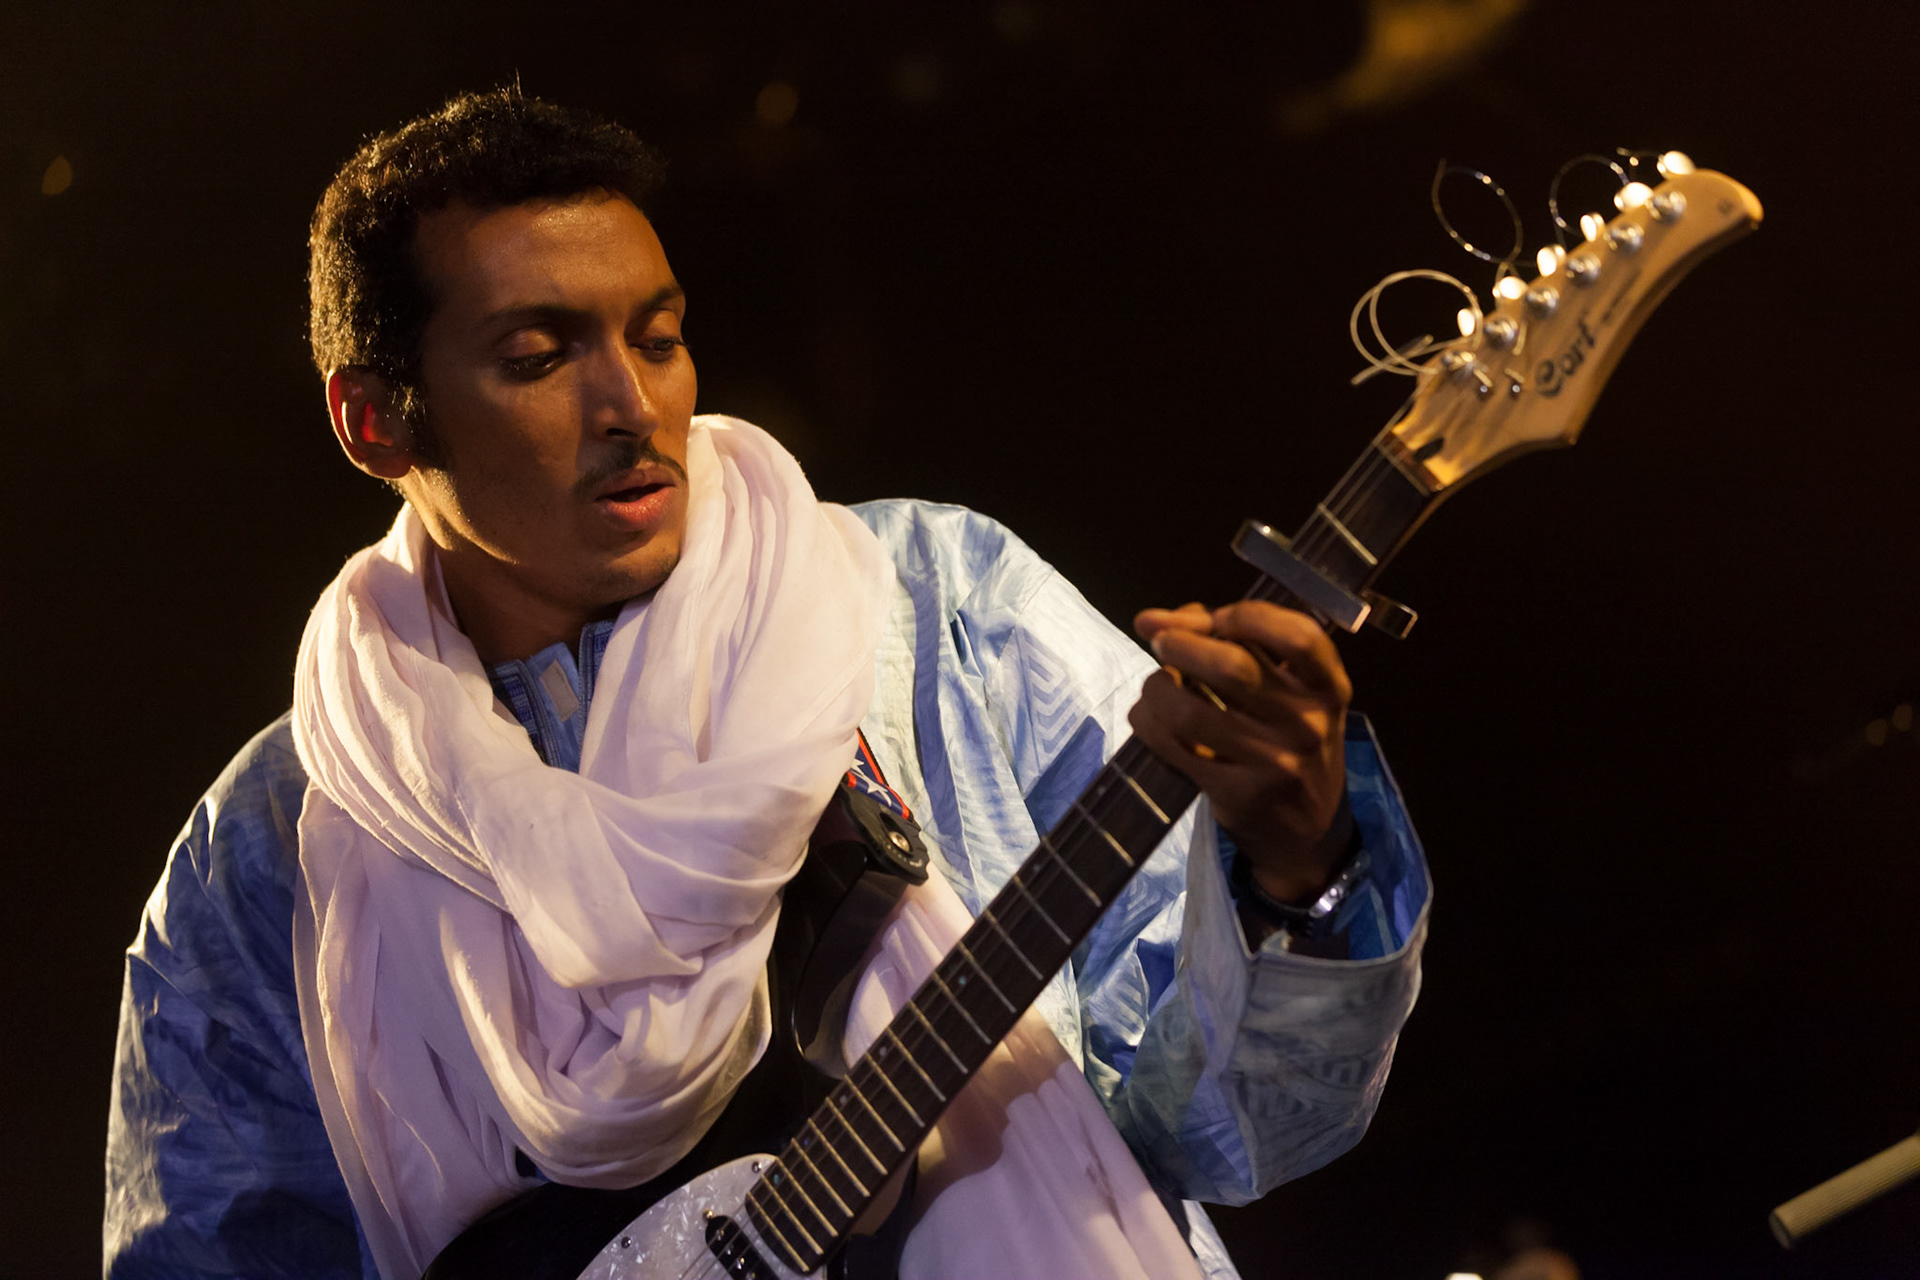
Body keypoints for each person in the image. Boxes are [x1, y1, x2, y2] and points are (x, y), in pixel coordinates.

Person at [105, 88, 1430, 1280]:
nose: (631, 403)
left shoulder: (934, 602)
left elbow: (1236, 1129)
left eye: (658, 337)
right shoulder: (266, 851)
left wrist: (1302, 865)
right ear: (376, 420)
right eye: (538, 356)